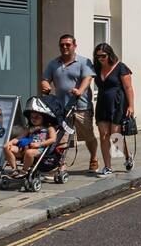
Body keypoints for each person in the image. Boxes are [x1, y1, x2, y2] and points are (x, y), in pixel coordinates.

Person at [41, 35, 98, 177]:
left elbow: (88, 78)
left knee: (88, 136)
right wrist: (46, 86)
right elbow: (45, 79)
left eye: (68, 44)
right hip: (61, 108)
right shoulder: (53, 63)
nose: (65, 47)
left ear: (74, 45)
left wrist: (79, 91)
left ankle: (94, 158)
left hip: (81, 106)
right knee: (61, 137)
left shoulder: (84, 61)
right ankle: (61, 164)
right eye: (62, 45)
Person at [92, 43, 135, 176]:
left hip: (118, 104)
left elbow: (128, 88)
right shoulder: (96, 68)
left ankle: (128, 157)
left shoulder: (120, 67)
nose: (100, 59)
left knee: (115, 136)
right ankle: (107, 166)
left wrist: (131, 106)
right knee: (104, 136)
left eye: (103, 56)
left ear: (109, 54)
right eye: (98, 56)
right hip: (102, 104)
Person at [2, 102, 57, 178]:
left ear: (43, 118)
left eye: (37, 117)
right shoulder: (29, 128)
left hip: (39, 150)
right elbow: (19, 138)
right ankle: (14, 169)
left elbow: (53, 139)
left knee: (29, 152)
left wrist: (39, 144)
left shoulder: (49, 128)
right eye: (32, 117)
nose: (33, 119)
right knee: (6, 147)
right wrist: (10, 143)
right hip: (24, 148)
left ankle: (24, 171)